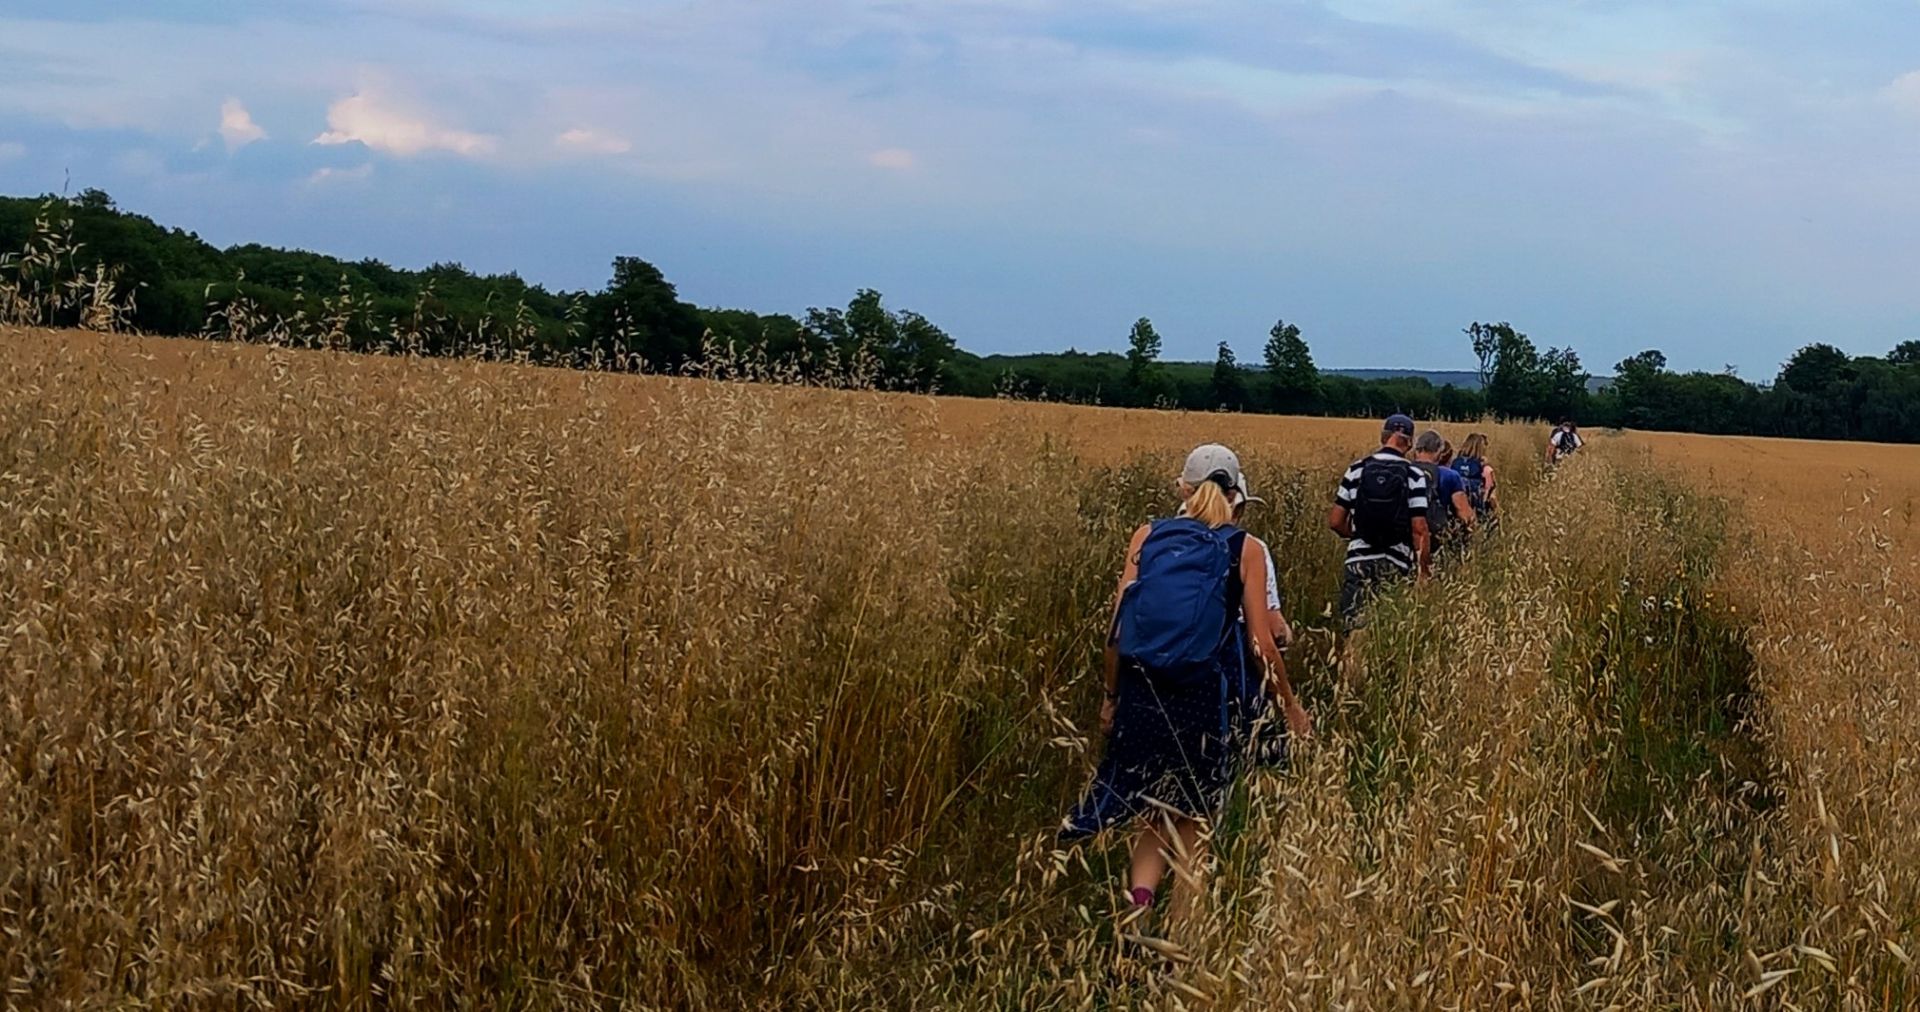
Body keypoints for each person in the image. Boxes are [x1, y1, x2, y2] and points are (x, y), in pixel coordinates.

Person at [1061, 444, 1311, 923]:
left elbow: (1116, 632)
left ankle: (1136, 917)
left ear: (1182, 490)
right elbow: (1262, 643)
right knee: (1194, 821)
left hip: (1142, 691)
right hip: (1201, 697)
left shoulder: (1147, 536)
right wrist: (1291, 710)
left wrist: (1111, 699)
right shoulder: (1247, 548)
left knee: (1152, 814)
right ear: (1238, 498)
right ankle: (1180, 947)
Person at [1327, 414, 1430, 631]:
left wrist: (1358, 533)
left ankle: (1350, 662)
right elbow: (1419, 529)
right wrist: (1423, 572)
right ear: (1410, 442)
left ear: (1383, 437)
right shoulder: (1414, 475)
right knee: (1385, 634)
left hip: (1358, 560)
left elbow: (1335, 521)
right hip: (1396, 562)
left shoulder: (1357, 469)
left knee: (1354, 630)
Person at [1411, 430, 1473, 556]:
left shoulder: (1404, 470)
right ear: (1439, 452)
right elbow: (1465, 515)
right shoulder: (1450, 475)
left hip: (1408, 539)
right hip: (1437, 540)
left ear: (1416, 450)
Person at [1452, 432, 1497, 524]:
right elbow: (1491, 498)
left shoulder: (1454, 463)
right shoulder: (1486, 469)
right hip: (1477, 514)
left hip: (1455, 511)